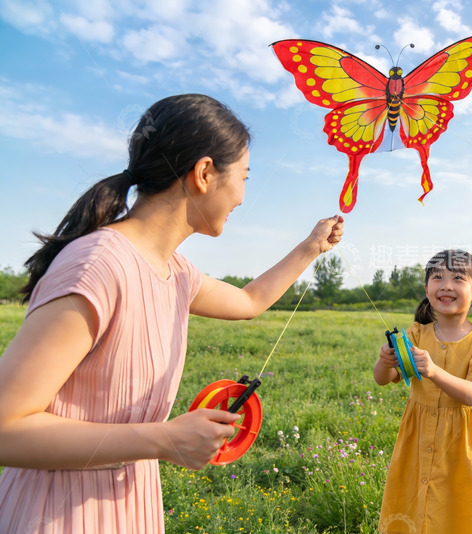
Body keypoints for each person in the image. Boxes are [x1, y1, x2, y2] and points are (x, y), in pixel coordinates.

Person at [0, 93, 344, 534]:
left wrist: (312, 246)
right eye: (243, 176)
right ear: (204, 173)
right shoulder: (98, 265)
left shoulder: (176, 272)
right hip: (59, 514)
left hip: (131, 504)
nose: (242, 195)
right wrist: (164, 439)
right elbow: (7, 427)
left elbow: (249, 301)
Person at [373, 250, 472, 534]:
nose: (446, 285)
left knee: (460, 504)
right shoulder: (415, 334)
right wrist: (385, 362)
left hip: (463, 441)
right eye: (437, 277)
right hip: (418, 435)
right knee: (413, 500)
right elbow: (384, 379)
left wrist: (434, 371)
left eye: (458, 278)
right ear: (427, 289)